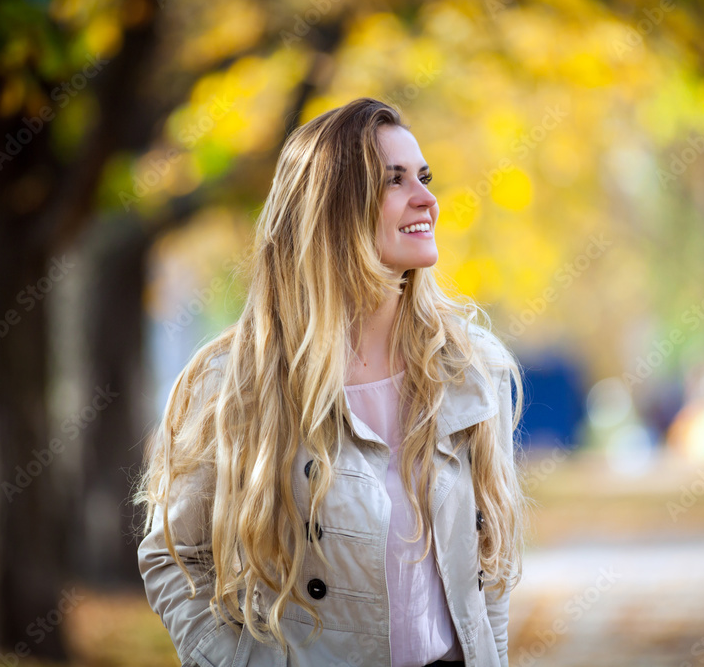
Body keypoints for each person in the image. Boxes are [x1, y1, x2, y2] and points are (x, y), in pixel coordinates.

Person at [134, 97, 531, 667]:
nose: (426, 199)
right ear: (331, 208)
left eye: (423, 177)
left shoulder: (466, 367)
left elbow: (487, 566)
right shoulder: (238, 383)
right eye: (394, 181)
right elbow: (177, 558)